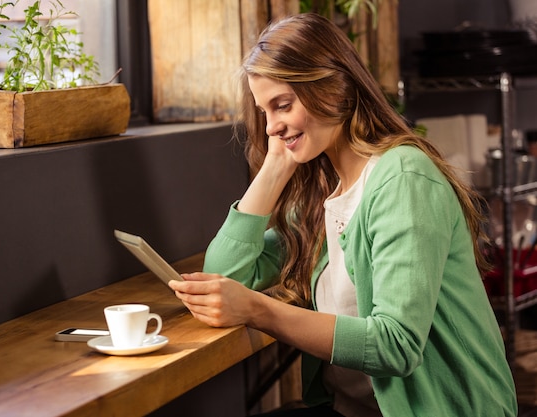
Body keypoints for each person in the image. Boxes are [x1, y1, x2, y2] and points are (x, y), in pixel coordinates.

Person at [168, 13, 517, 417]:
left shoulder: (402, 179)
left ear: (333, 87)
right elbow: (225, 276)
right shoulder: (324, 192)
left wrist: (259, 310)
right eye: (264, 112)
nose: (270, 127)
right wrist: (276, 166)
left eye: (282, 106)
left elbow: (395, 346)